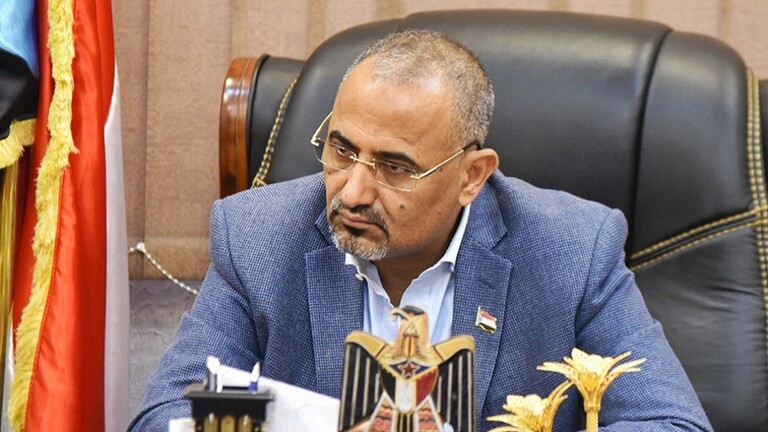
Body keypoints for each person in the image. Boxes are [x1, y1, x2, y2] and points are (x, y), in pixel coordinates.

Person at [130, 30, 712, 431]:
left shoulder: (573, 249)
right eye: (341, 150)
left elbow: (670, 422)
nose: (353, 191)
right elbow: (165, 415)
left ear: (472, 176)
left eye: (394, 167)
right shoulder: (259, 236)